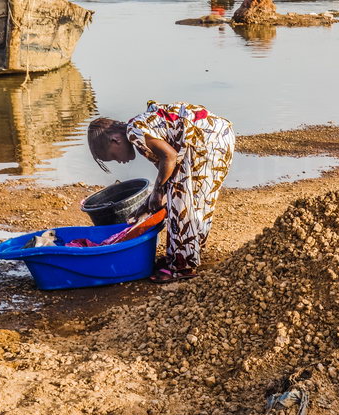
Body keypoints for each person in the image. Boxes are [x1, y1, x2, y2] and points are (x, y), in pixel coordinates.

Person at [87, 102, 235, 283]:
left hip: (206, 141)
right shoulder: (140, 127)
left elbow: (170, 157)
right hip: (216, 135)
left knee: (184, 201)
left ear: (115, 140)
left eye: (113, 156)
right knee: (190, 198)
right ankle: (182, 258)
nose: (118, 161)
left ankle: (182, 267)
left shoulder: (135, 132)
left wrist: (157, 191)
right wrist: (149, 202)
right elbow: (168, 174)